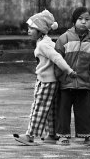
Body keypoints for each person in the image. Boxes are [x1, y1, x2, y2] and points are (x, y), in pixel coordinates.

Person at [13, 9, 75, 145]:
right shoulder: (48, 42)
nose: (29, 31)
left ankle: (30, 135)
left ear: (41, 30)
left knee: (39, 107)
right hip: (52, 81)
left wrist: (68, 70)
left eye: (32, 28)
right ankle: (52, 134)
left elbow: (57, 57)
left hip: (46, 81)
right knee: (51, 108)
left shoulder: (43, 45)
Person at [53, 6, 90, 146]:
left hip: (84, 82)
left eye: (87, 19)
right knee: (63, 110)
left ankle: (88, 135)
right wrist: (57, 78)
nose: (83, 22)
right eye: (80, 19)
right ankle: (63, 135)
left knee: (85, 110)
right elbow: (57, 59)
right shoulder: (64, 38)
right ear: (74, 21)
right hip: (65, 82)